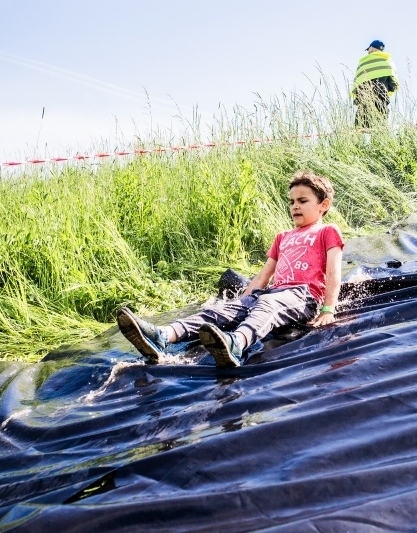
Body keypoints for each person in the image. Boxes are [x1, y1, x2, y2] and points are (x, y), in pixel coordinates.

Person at [116, 170, 345, 368]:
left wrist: (328, 310)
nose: (295, 206)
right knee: (220, 312)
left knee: (268, 304)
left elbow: (334, 273)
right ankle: (164, 335)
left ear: (323, 205)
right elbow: (263, 277)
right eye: (292, 201)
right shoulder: (282, 237)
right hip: (272, 292)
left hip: (303, 296)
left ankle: (237, 343)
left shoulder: (327, 231)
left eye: (302, 201)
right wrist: (243, 301)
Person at [351, 39, 399, 127]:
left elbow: (358, 83)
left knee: (360, 128)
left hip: (364, 101)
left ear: (371, 48)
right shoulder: (388, 62)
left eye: (368, 49)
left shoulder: (364, 62)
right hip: (381, 101)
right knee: (380, 128)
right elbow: (393, 84)